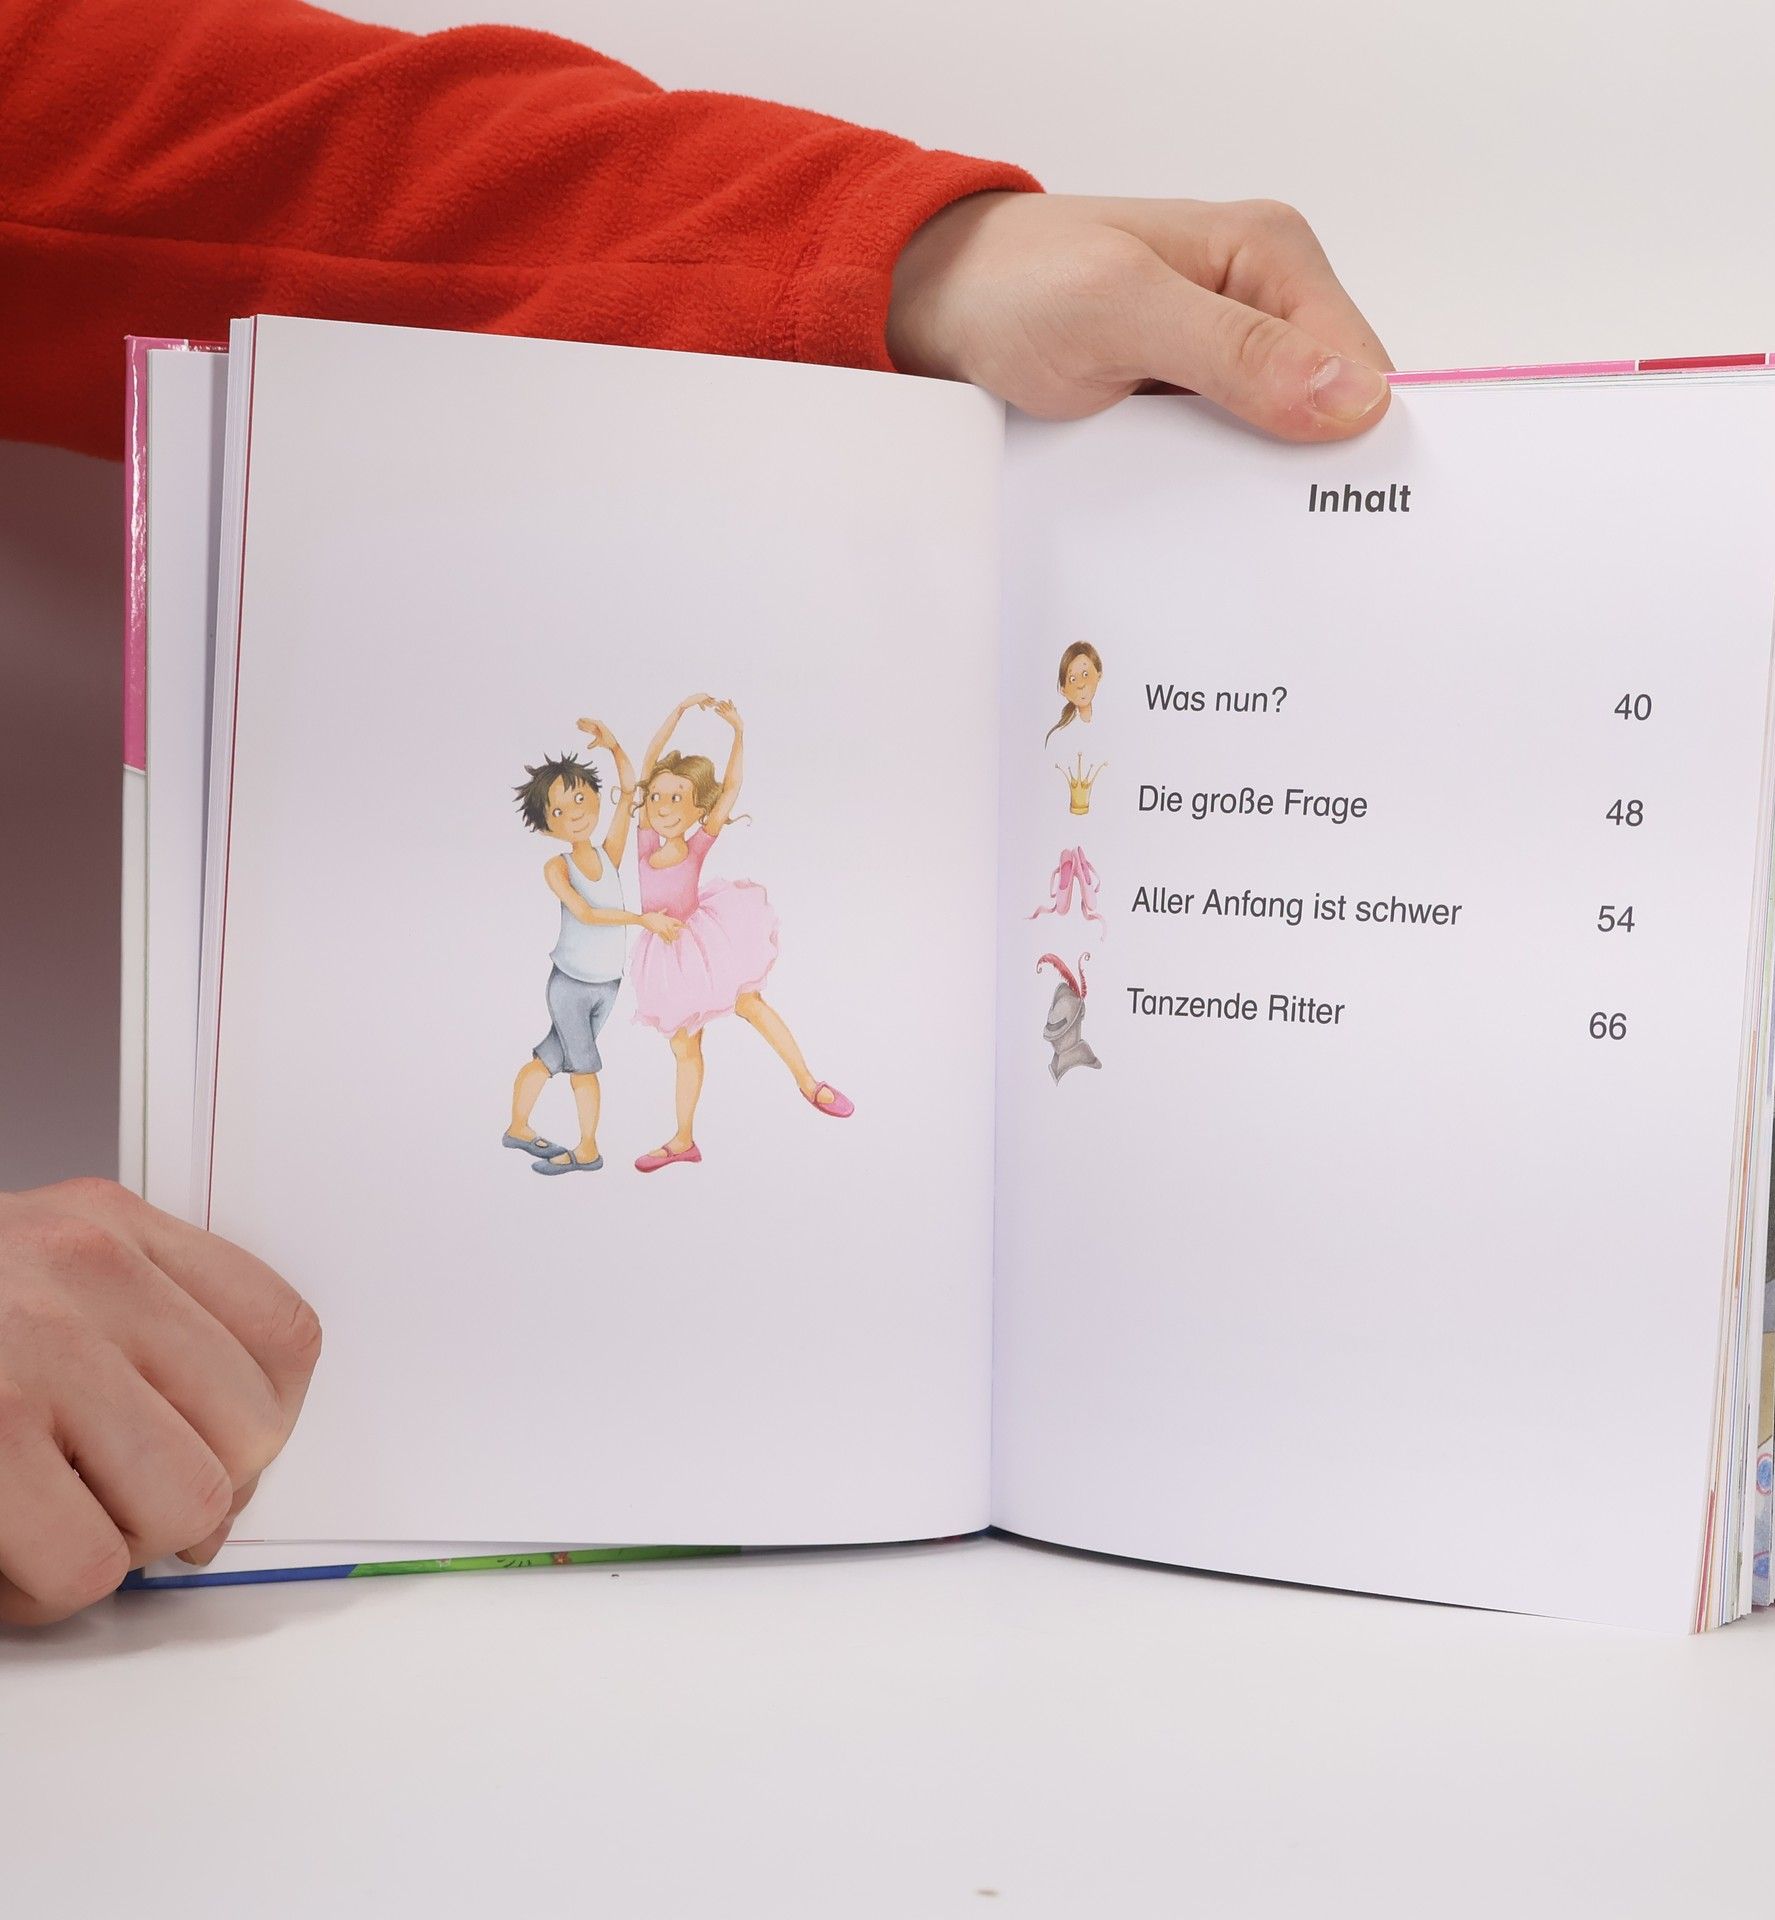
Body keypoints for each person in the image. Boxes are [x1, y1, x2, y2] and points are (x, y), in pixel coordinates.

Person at [0, 0, 1393, 1624]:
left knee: (738, 1032)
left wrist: (904, 262)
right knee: (629, 1054)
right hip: (614, 979)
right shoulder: (615, 847)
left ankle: (684, 1111)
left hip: (672, 945)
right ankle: (613, 1131)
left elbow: (142, 151)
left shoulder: (678, 820)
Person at [626, 695, 850, 1174]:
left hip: (703, 942)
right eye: (658, 797)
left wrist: (738, 733)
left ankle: (808, 1082)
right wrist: (678, 712)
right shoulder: (644, 840)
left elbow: (731, 787)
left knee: (750, 1003)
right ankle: (683, 1140)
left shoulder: (696, 845)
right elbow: (648, 763)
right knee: (685, 1047)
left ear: (698, 810)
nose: (663, 806)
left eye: (678, 799)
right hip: (664, 958)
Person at [507, 719, 666, 1176]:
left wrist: (614, 745)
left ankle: (518, 1127)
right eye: (559, 810)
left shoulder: (607, 854)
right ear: (546, 827)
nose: (575, 812)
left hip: (606, 984)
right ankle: (588, 1149)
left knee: (550, 1057)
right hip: (572, 985)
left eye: (580, 798)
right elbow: (588, 913)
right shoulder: (557, 867)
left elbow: (630, 791)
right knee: (584, 1068)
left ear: (596, 796)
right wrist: (641, 920)